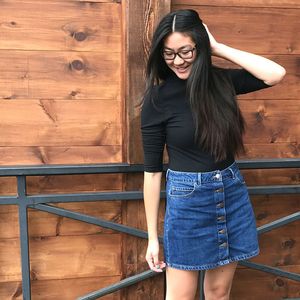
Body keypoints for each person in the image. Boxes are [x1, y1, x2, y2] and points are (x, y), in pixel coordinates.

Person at [140, 9, 285, 300]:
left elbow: (275, 74)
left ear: (199, 46)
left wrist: (217, 48)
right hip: (187, 201)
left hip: (231, 191)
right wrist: (152, 238)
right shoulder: (157, 99)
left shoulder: (221, 83)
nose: (177, 61)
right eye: (169, 54)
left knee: (219, 293)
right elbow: (153, 172)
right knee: (181, 296)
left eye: (185, 51)